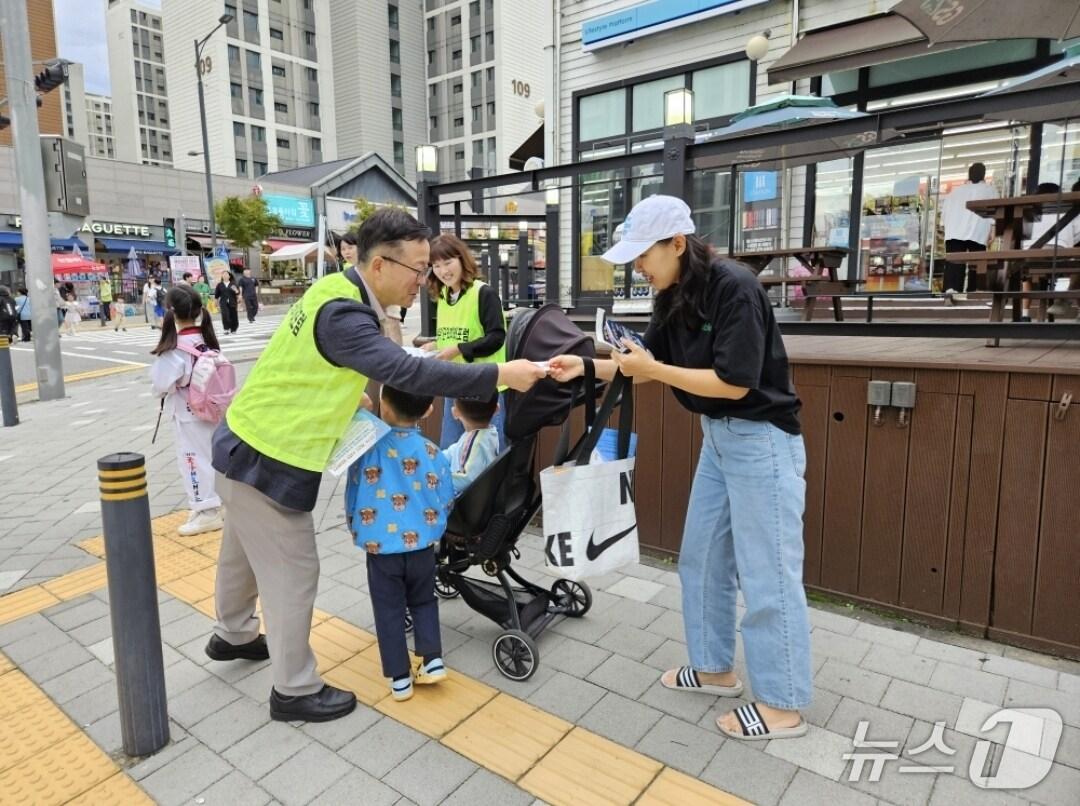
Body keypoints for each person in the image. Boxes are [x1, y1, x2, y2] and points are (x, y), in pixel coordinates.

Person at [207, 208, 545, 723]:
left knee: (242, 550)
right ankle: (293, 689)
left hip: (245, 442)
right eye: (418, 268)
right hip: (269, 458)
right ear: (382, 264)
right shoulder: (345, 313)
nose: (424, 280)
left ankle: (232, 633)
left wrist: (352, 403)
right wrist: (501, 373)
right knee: (294, 571)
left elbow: (319, 369)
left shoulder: (333, 292)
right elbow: (402, 369)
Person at [549, 195, 811, 742]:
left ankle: (783, 703)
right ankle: (715, 668)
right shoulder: (669, 292)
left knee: (767, 572)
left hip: (761, 439)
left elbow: (734, 382)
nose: (638, 267)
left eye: (644, 255)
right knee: (702, 558)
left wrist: (653, 366)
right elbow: (642, 366)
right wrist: (590, 366)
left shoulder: (734, 286)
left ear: (677, 243)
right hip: (719, 439)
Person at [345, 385, 453, 701]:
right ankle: (432, 660)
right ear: (429, 411)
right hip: (422, 547)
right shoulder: (433, 452)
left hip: (382, 549)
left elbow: (353, 492)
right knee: (424, 601)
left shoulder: (366, 446)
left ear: (383, 403)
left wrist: (356, 527)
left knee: (389, 610)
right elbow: (445, 497)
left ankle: (400, 679)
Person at [150, 286, 225, 536]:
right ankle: (214, 504)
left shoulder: (174, 349)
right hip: (212, 410)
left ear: (170, 312)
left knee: (193, 462)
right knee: (211, 458)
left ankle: (206, 511)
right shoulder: (205, 340)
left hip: (187, 413)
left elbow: (160, 385)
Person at [423, 234, 508, 450]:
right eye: (436, 265)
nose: (443, 271)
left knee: (487, 455)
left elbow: (496, 337)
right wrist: (435, 345)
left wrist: (458, 349)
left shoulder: (484, 293)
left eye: (448, 262)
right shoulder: (443, 296)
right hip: (454, 384)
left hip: (486, 388)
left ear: (462, 260)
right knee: (451, 449)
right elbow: (456, 333)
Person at [940, 162, 997, 299]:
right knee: (976, 263)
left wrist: (946, 229)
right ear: (983, 174)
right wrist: (993, 229)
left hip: (955, 231)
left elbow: (944, 215)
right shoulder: (990, 190)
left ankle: (951, 291)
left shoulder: (956, 191)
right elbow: (995, 211)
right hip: (977, 230)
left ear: (969, 175)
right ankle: (974, 291)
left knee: (954, 262)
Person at [340, 232, 403, 345]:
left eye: (350, 247)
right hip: (366, 311)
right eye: (343, 249)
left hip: (386, 303)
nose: (346, 252)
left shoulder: (371, 262)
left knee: (392, 331)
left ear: (360, 247)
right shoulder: (346, 269)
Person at [442, 392, 500, 495]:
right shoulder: (488, 432)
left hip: (463, 501)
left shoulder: (476, 443)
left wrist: (439, 477)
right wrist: (436, 457)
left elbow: (466, 478)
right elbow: (456, 450)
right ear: (497, 409)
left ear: (455, 413)